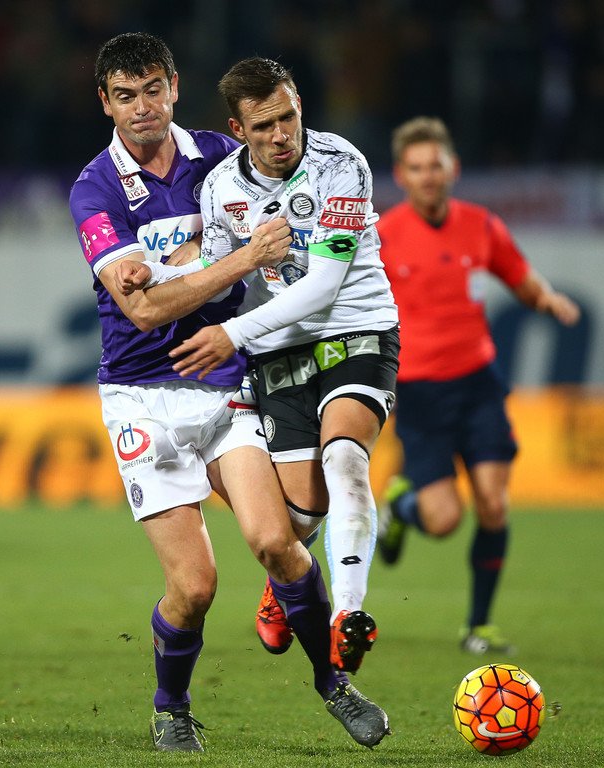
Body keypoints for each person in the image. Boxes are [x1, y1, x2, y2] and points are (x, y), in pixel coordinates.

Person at [69, 33, 390, 753]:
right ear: (105, 103)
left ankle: (334, 684)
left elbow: (291, 217)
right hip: (141, 396)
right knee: (196, 587)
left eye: (154, 89)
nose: (143, 107)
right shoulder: (95, 191)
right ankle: (171, 705)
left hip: (223, 383)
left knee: (278, 542)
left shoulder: (221, 157)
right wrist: (243, 259)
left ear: (174, 87)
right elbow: (144, 312)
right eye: (126, 95)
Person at [125, 57, 400, 676]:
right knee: (297, 518)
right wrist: (154, 271)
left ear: (299, 104)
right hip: (280, 349)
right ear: (238, 128)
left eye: (288, 117)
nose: (281, 136)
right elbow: (219, 270)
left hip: (357, 329)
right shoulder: (223, 187)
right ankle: (283, 580)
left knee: (345, 459)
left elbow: (324, 286)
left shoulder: (340, 164)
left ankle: (347, 614)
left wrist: (231, 334)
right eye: (264, 126)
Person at [374, 116, 581, 654]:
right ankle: (401, 509)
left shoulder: (481, 225)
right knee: (444, 520)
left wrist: (548, 299)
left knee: (494, 505)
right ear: (402, 174)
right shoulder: (383, 236)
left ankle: (478, 627)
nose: (427, 176)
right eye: (416, 168)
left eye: (435, 166)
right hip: (420, 390)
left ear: (453, 168)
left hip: (478, 384)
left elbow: (520, 277)